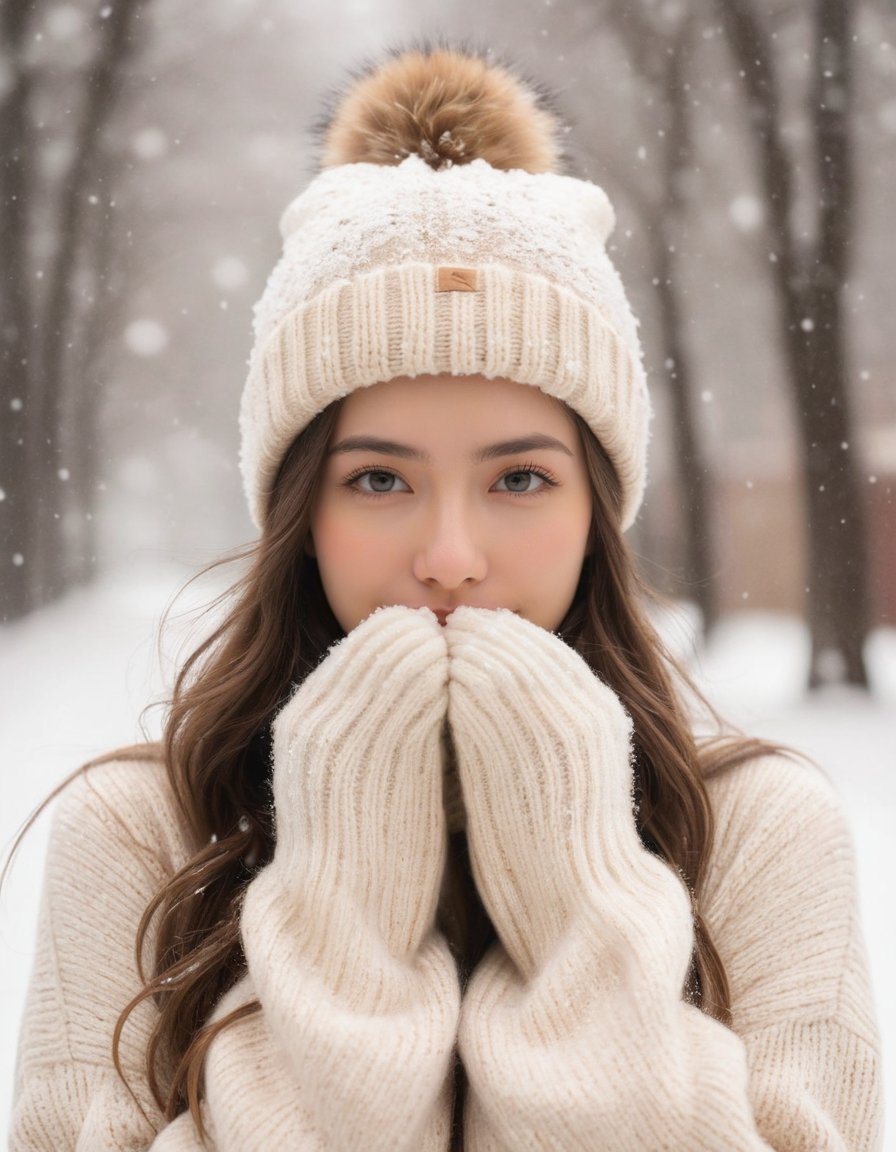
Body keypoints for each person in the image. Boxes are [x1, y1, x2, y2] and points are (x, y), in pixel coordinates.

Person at [8, 42, 883, 1151]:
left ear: (596, 513)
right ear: (300, 515)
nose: (451, 556)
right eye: (379, 479)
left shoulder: (755, 836)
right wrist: (342, 921)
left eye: (519, 478)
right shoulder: (139, 840)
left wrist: (579, 900)